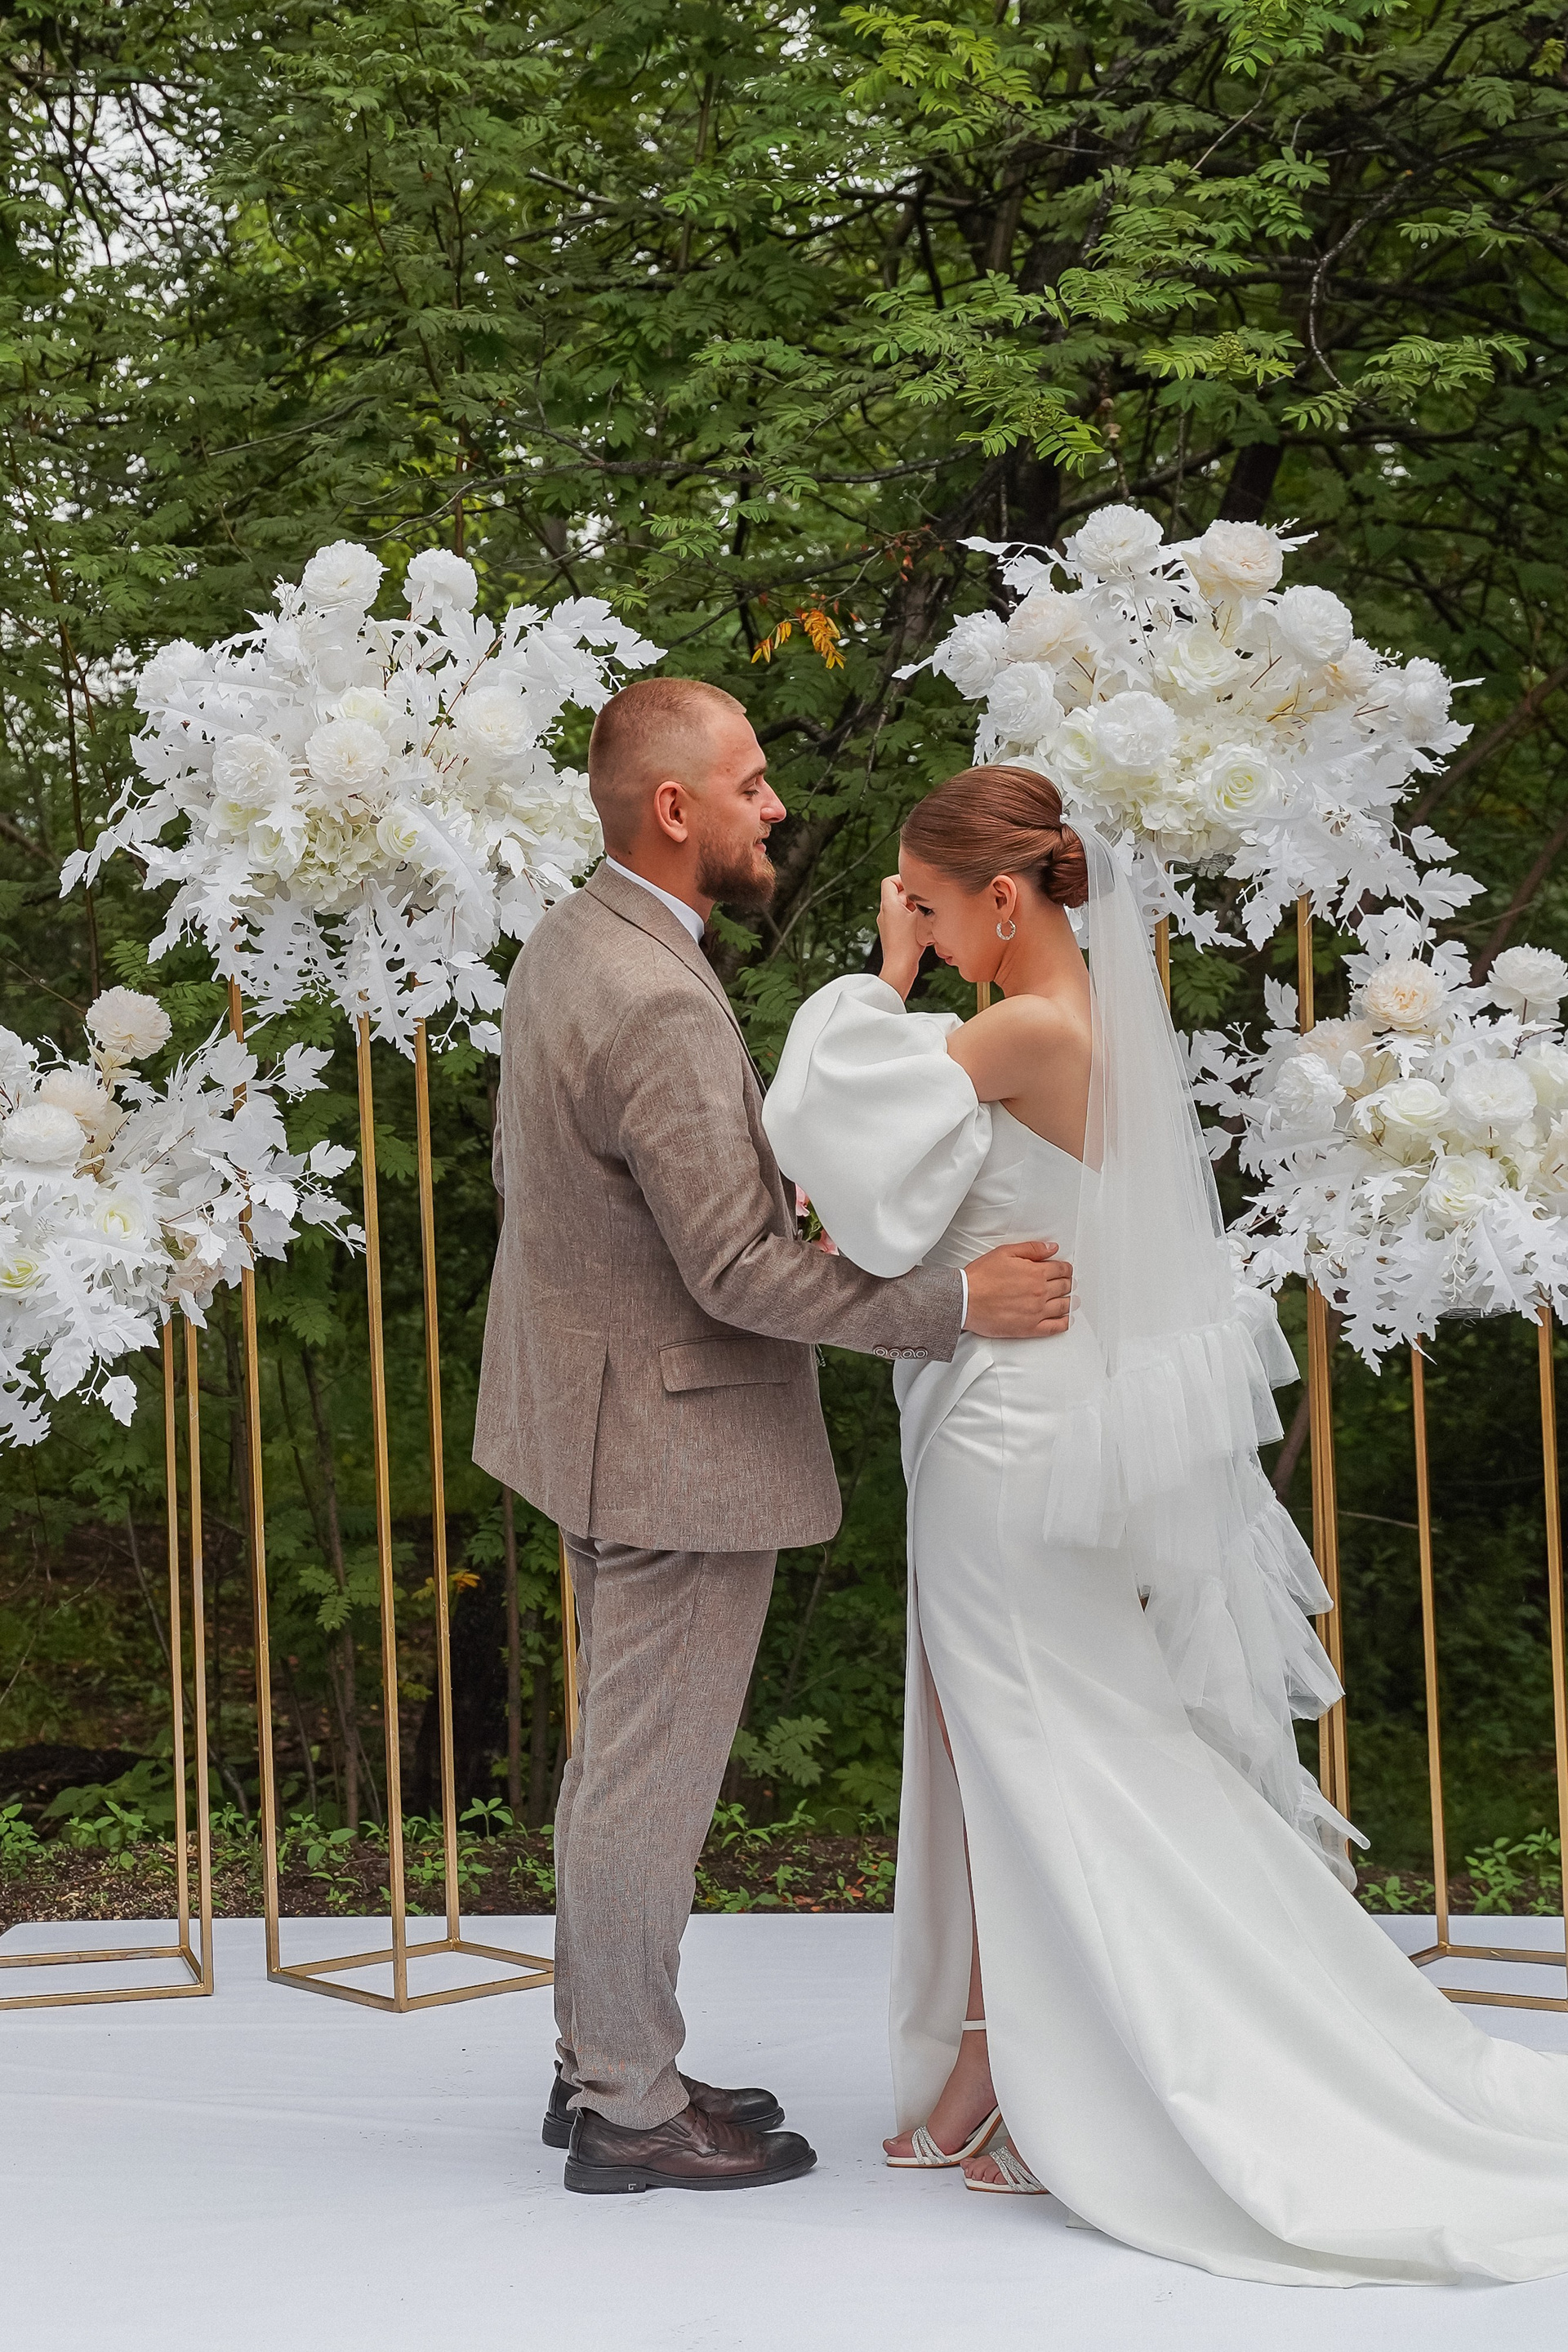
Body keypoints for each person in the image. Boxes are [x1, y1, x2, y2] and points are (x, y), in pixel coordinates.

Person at [762, 761, 1568, 2285]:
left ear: (1005, 900)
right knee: (1034, 1745)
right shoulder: (1067, 1025)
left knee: (1045, 1754)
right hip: (1030, 1416)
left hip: (1010, 1436)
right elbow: (900, 1174)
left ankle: (1055, 2076)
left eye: (930, 903)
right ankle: (993, 2067)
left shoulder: (1029, 1027)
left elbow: (819, 1110)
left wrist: (885, 972)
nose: (918, 923)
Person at [473, 683, 1072, 2197]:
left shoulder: (572, 941)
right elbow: (738, 1272)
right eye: (750, 783)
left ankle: (603, 2057)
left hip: (586, 1408)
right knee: (646, 1783)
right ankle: (627, 2104)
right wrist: (957, 1305)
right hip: (669, 1439)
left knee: (617, 1766)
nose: (777, 806)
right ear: (674, 809)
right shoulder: (659, 998)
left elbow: (593, 1191)